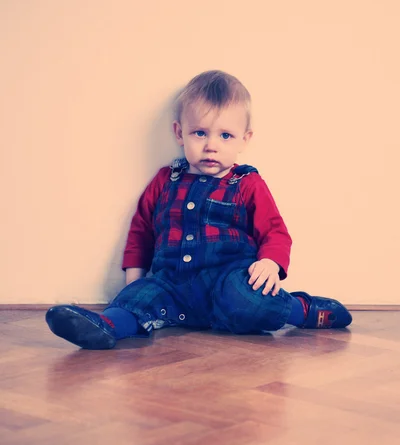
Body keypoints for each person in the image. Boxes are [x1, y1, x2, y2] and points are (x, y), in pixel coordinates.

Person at [45, 70, 352, 350]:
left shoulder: (247, 183)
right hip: (172, 282)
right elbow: (141, 232)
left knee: (248, 302)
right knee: (135, 299)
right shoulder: (165, 180)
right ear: (180, 134)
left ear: (245, 140)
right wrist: (135, 279)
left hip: (229, 280)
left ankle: (301, 310)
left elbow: (274, 230)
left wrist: (270, 263)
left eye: (225, 135)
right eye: (200, 133)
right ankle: (107, 326)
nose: (211, 145)